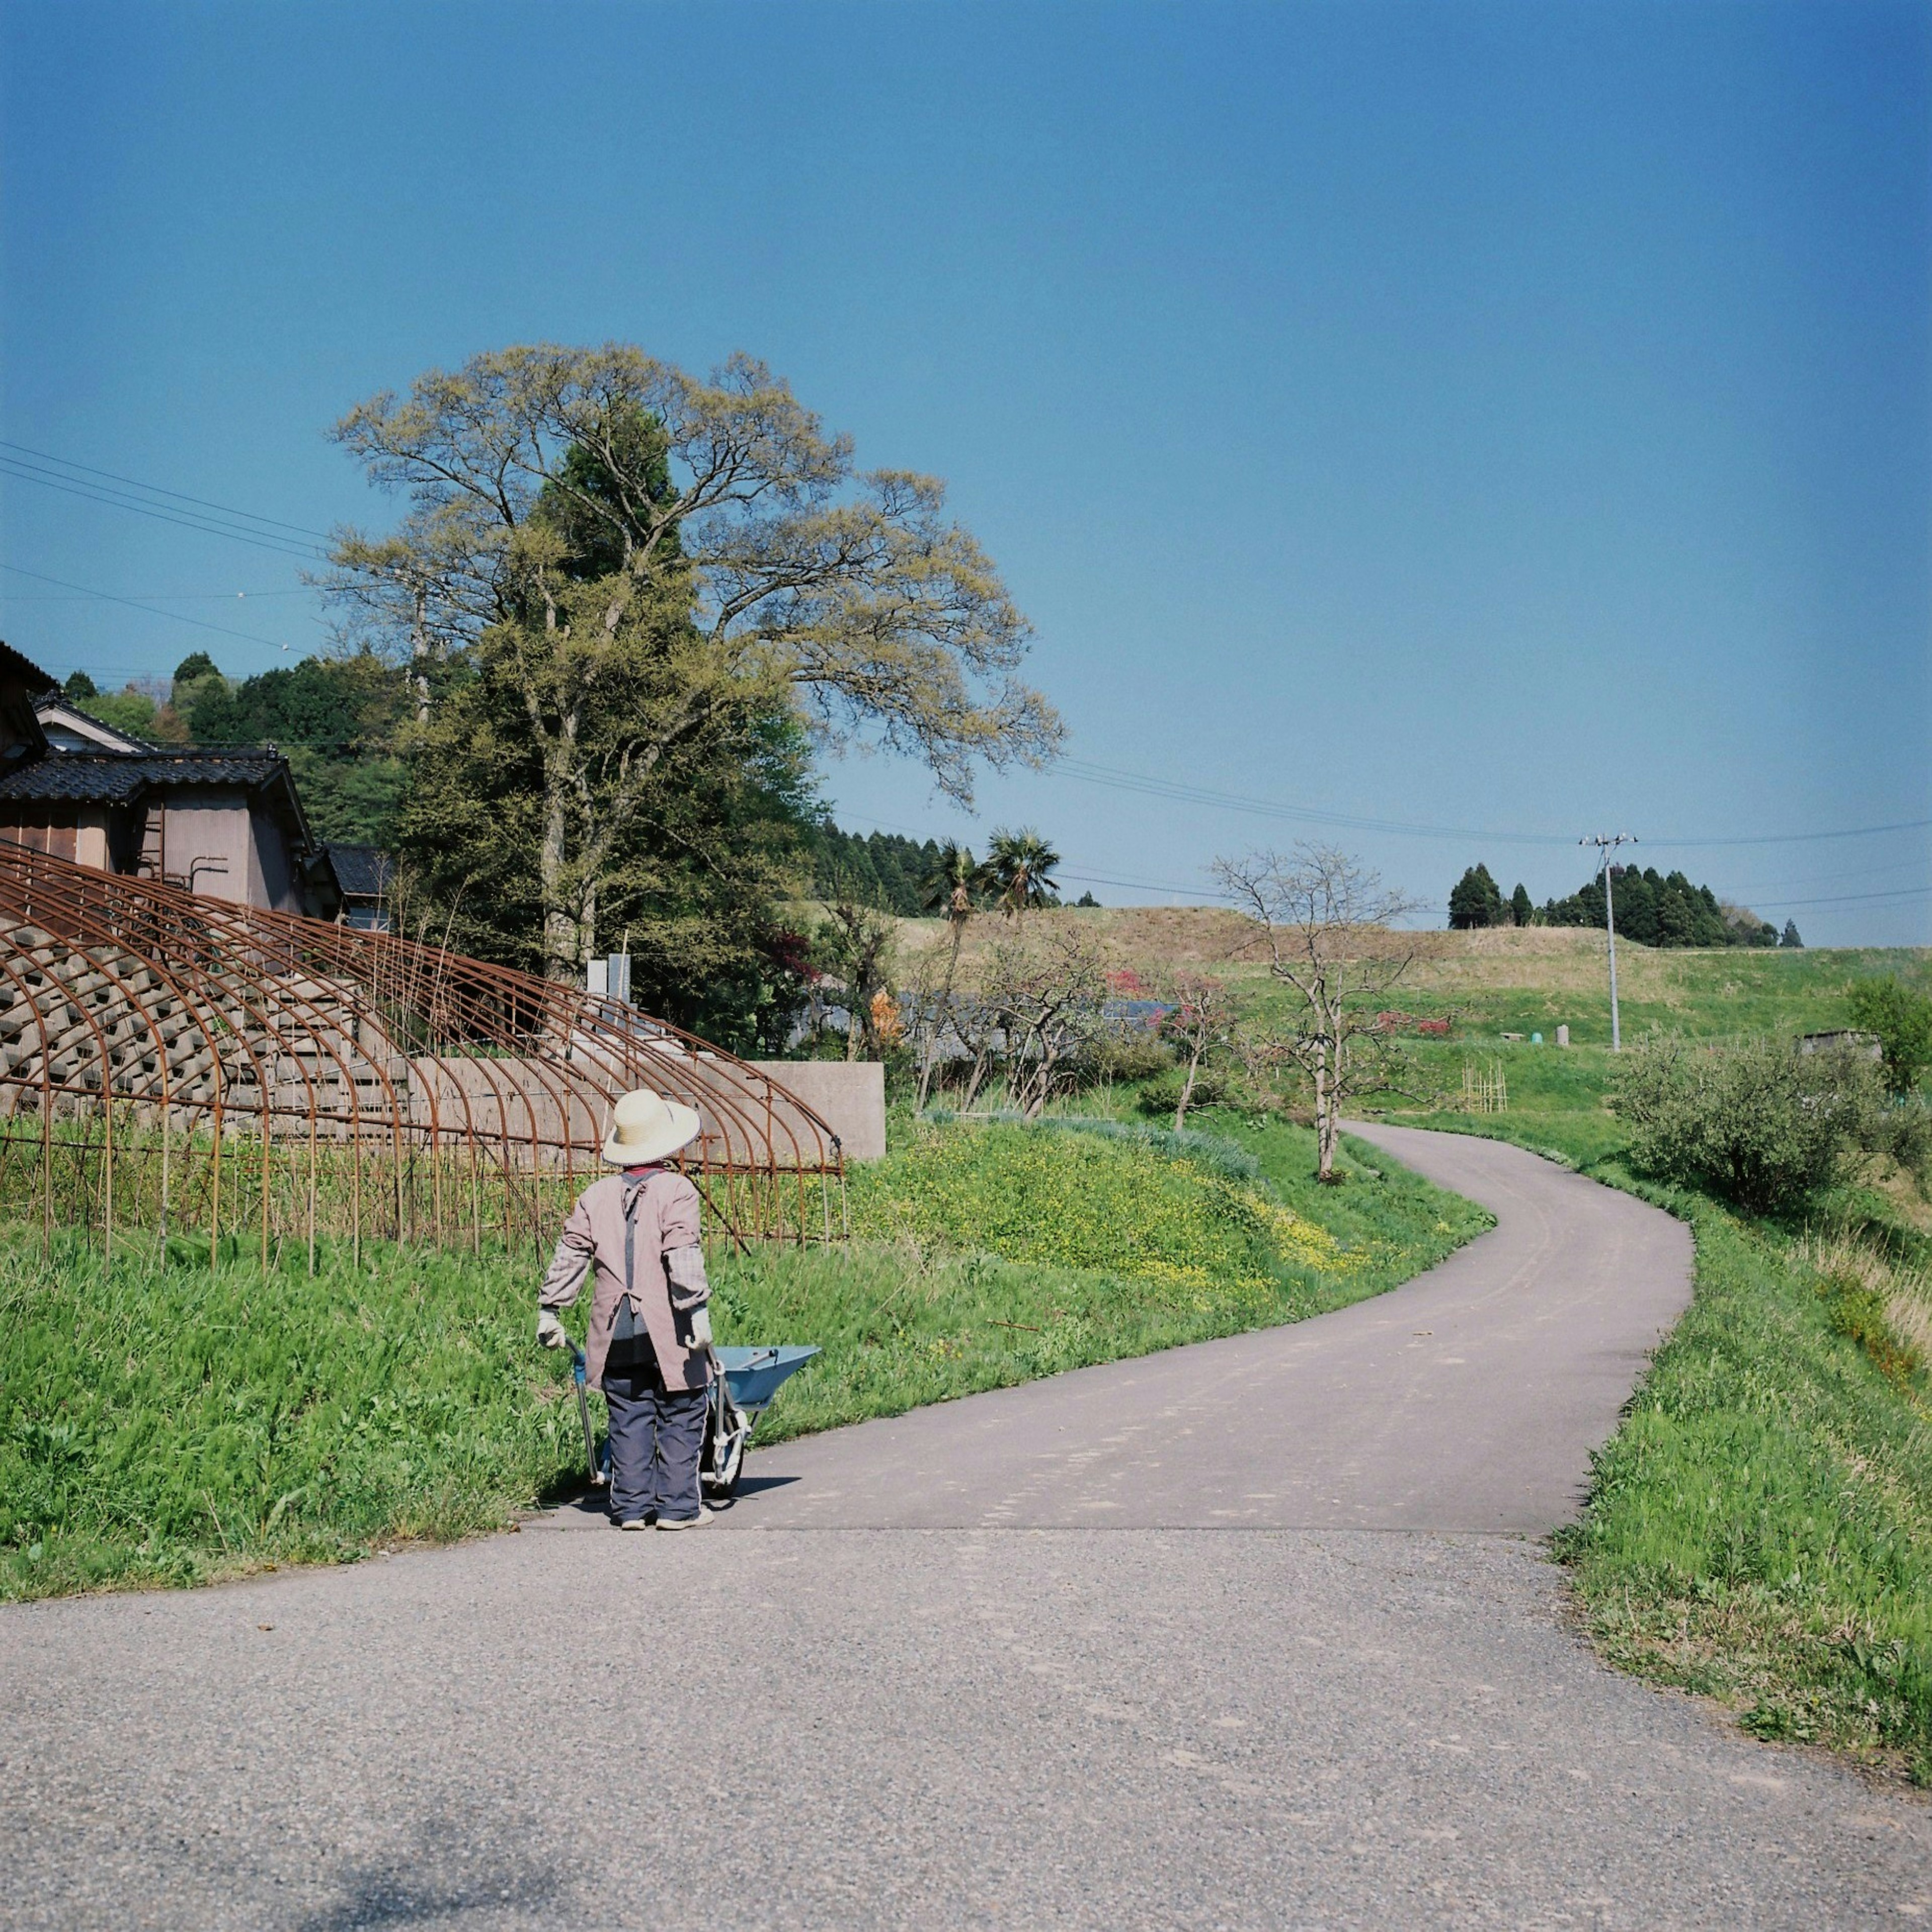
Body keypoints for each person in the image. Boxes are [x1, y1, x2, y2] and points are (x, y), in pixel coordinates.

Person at [537, 1087, 716, 1531]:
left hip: (615, 1331)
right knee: (683, 1409)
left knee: (629, 1414)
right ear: (666, 1144)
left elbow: (571, 1253)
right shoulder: (677, 1190)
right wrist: (697, 1312)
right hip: (668, 1328)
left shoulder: (594, 1196)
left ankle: (632, 1508)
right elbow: (681, 1250)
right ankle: (678, 1509)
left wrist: (550, 1310)